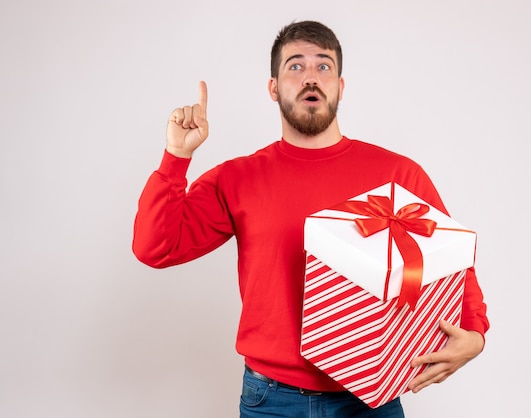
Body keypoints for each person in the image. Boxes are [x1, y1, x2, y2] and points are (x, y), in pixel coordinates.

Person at [133, 20, 489, 418]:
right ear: (273, 88)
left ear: (340, 85)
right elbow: (154, 248)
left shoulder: (398, 174)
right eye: (295, 66)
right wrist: (175, 158)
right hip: (270, 399)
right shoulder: (237, 178)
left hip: (370, 397)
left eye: (323, 66)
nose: (310, 78)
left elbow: (452, 263)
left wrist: (475, 333)